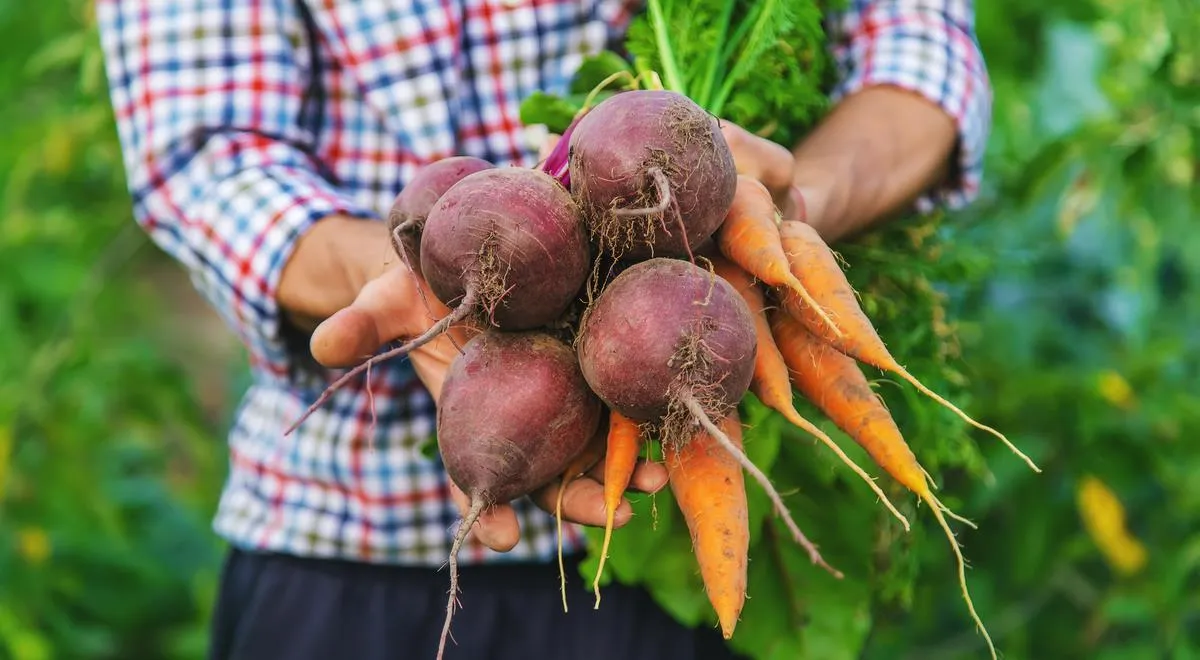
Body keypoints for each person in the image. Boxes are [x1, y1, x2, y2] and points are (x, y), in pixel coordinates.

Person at [96, 0, 991, 658]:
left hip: (664, 571)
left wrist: (781, 220)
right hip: (346, 551)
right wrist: (393, 271)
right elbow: (207, 158)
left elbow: (919, 50)